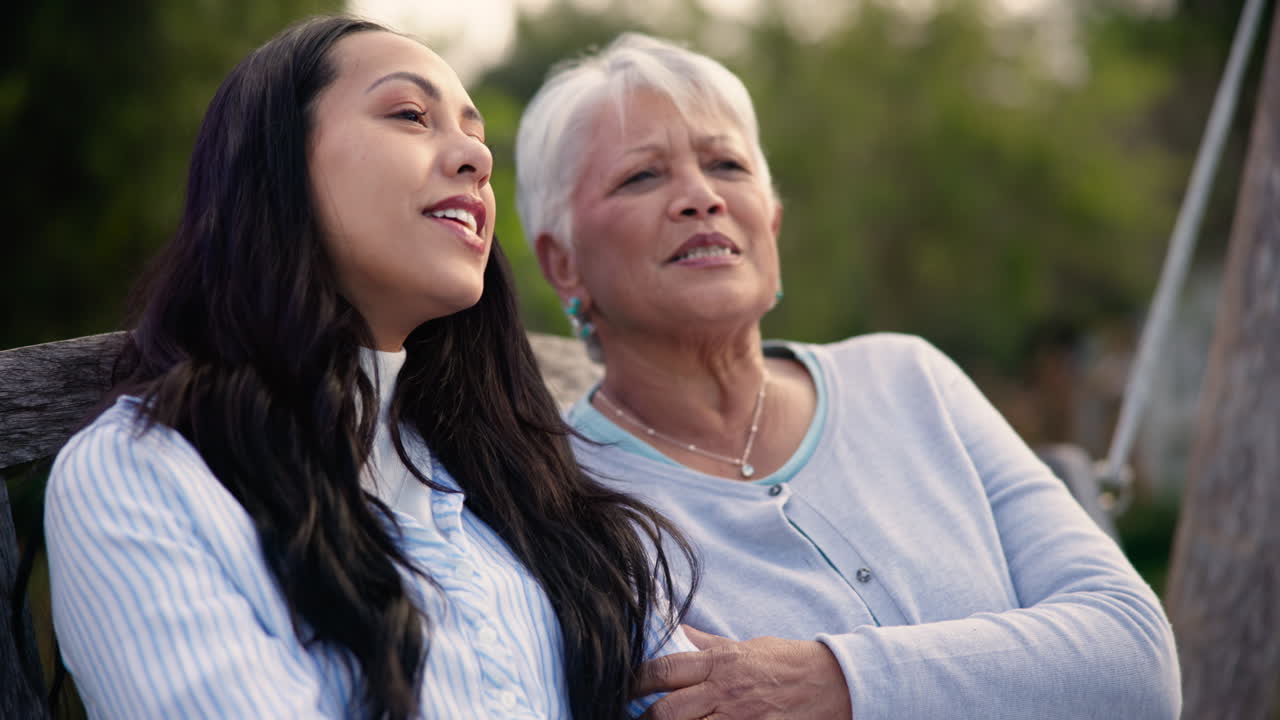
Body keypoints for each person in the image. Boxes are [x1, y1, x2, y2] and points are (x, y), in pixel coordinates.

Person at [44, 17, 698, 720]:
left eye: (475, 136)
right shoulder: (143, 477)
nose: (475, 159)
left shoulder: (522, 479)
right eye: (411, 115)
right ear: (277, 167)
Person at [516, 32, 1180, 720]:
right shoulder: (562, 497)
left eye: (728, 165)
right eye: (642, 176)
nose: (700, 196)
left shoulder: (911, 379)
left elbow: (1137, 660)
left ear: (770, 221)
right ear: (562, 261)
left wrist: (832, 680)